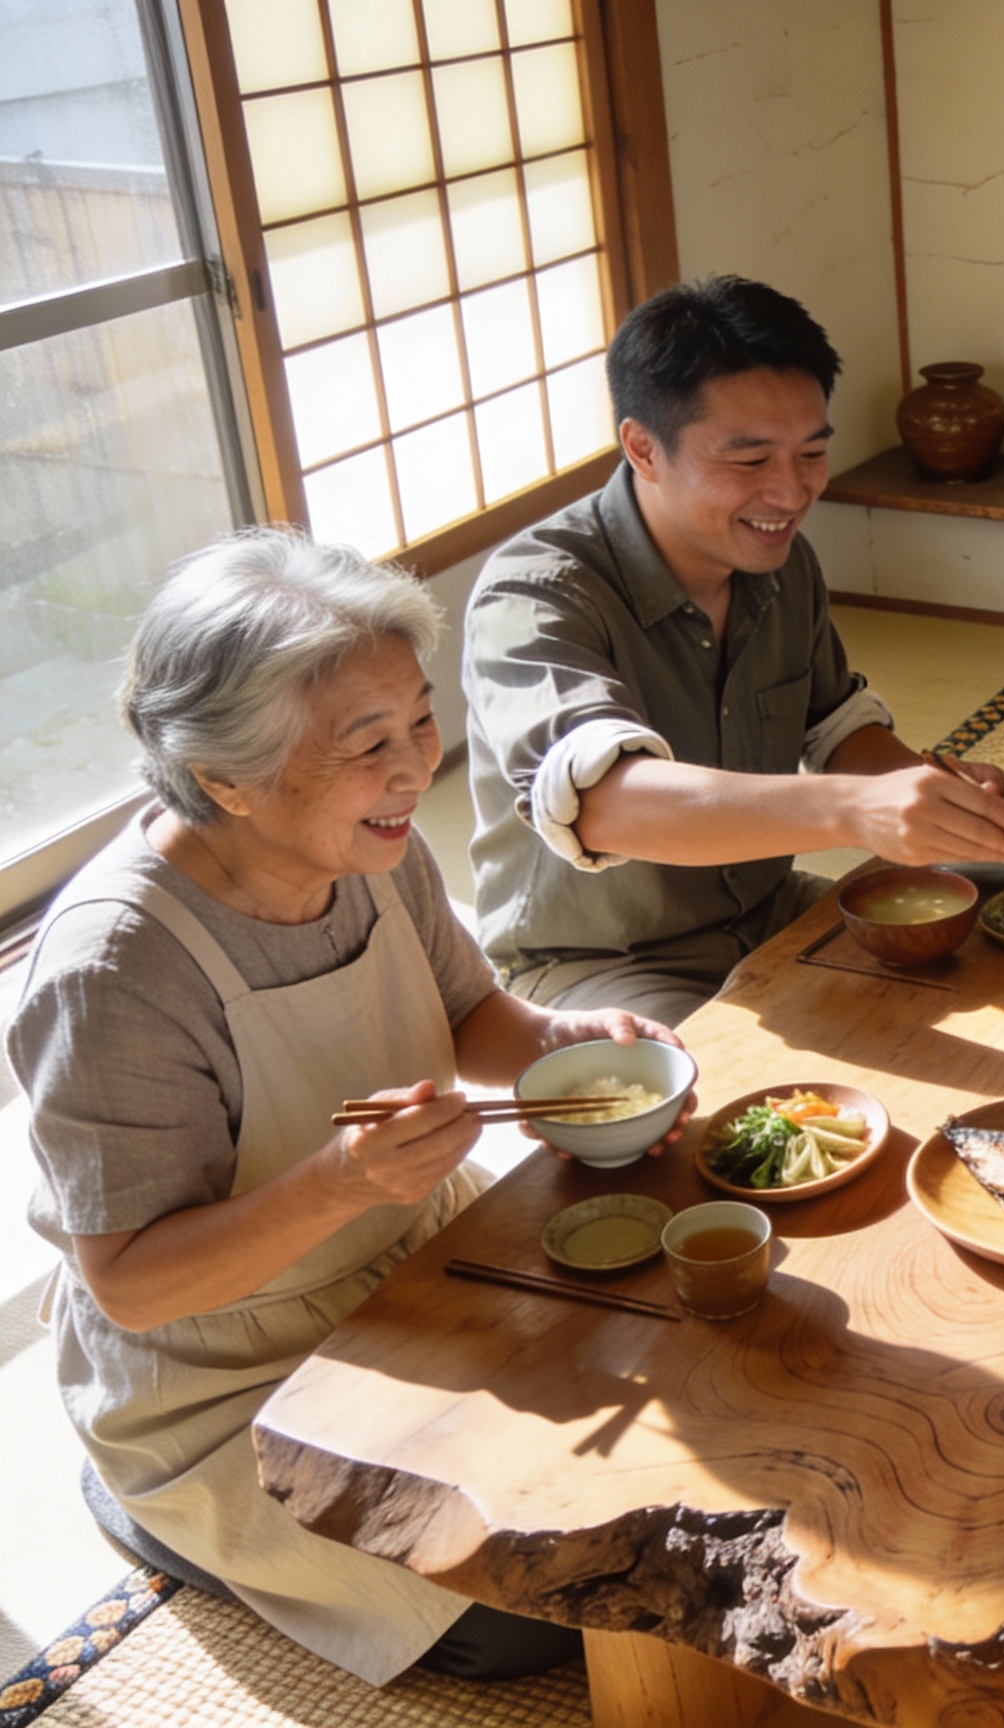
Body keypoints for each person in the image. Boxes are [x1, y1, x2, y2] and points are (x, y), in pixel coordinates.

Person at [5, 531, 689, 1684]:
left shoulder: (373, 842)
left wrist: (565, 1048)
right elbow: (130, 1280)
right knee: (546, 1608)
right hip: (228, 1376)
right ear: (225, 778)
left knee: (666, 1437)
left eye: (419, 721)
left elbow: (473, 1012)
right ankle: (161, 1512)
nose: (419, 766)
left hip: (419, 1257)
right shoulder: (114, 969)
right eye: (369, 745)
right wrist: (341, 1181)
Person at [462, 276, 1004, 1026]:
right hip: (604, 962)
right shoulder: (534, 594)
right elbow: (603, 805)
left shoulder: (779, 560)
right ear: (643, 448)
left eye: (812, 453)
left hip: (766, 910)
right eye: (750, 462)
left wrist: (928, 793)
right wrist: (860, 810)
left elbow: (833, 726)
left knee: (994, 957)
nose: (790, 494)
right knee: (729, 1126)